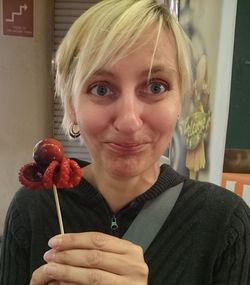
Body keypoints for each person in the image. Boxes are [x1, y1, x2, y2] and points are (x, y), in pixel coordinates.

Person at [1, 0, 250, 284]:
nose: (129, 122)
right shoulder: (32, 209)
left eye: (156, 87)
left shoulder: (226, 223)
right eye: (101, 88)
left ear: (180, 100)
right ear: (71, 106)